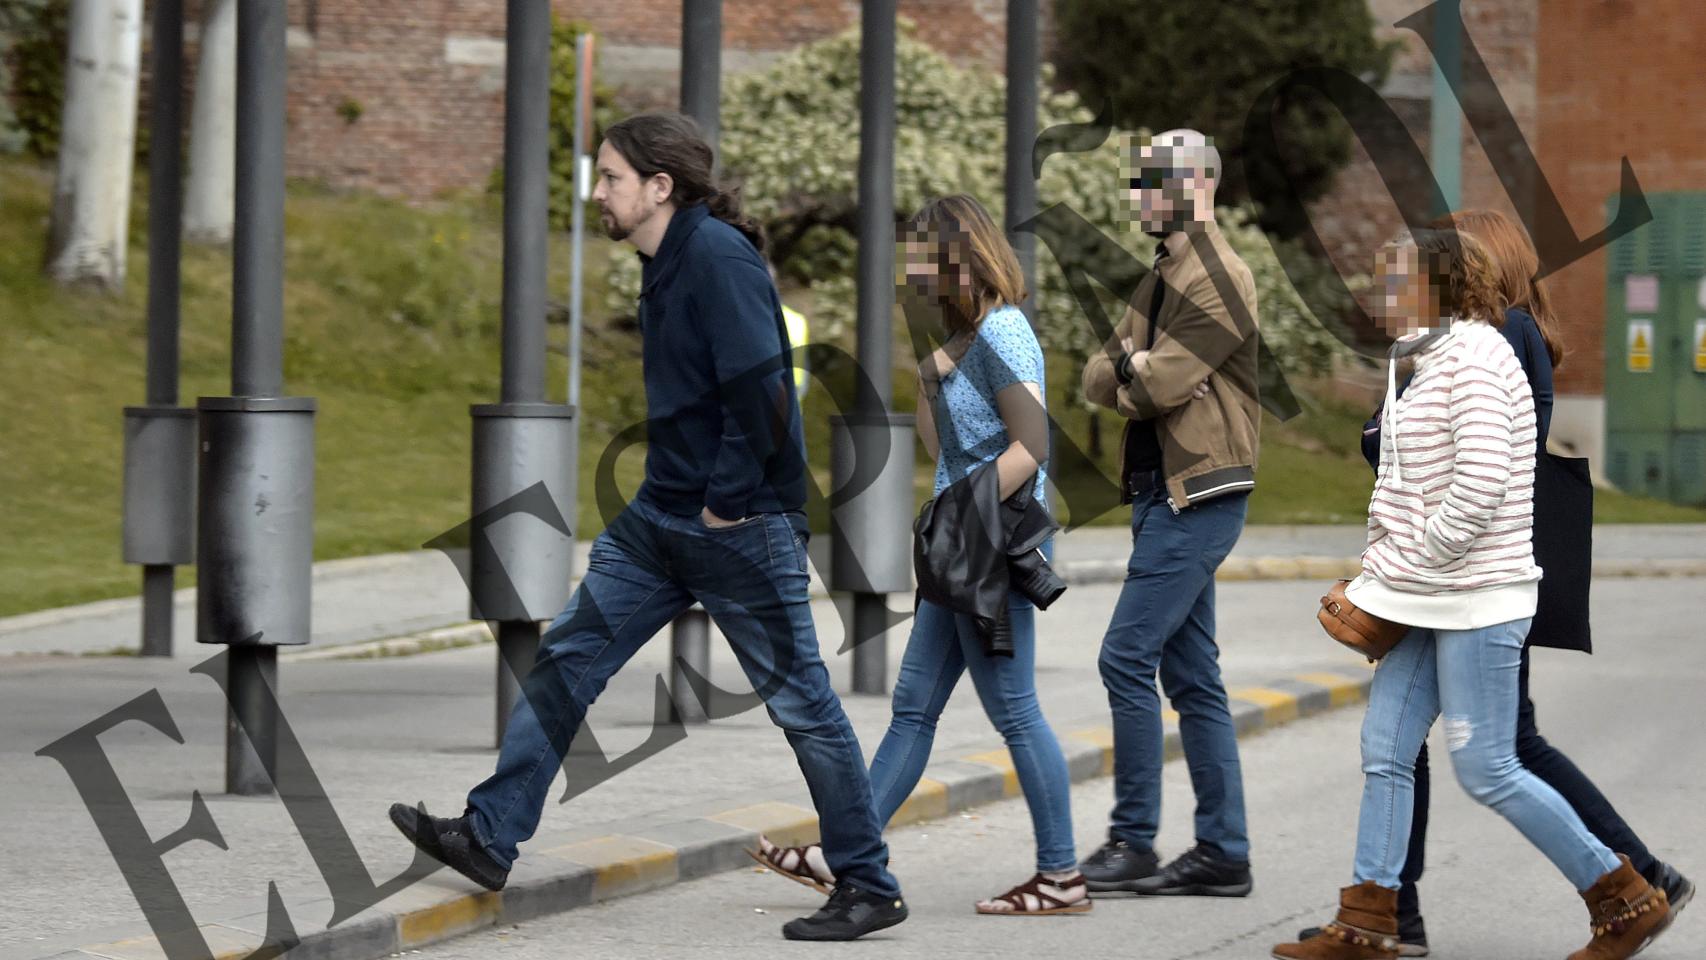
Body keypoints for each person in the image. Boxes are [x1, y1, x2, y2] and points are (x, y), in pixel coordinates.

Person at [384, 112, 907, 943]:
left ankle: (869, 883)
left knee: (803, 707)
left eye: (610, 179)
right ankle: (490, 836)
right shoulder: (662, 261)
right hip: (659, 522)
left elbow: (765, 393)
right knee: (565, 662)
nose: (597, 194)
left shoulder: (716, 258)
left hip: (739, 526)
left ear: (660, 186)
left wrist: (727, 500)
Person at [1295, 209, 1693, 957]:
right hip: (1426, 594)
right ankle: (1369, 922)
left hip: (1475, 596)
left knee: (1489, 765)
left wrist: (1405, 569)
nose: (1375, 294)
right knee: (1385, 746)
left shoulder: (1478, 357)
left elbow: (1479, 486)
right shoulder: (1424, 357)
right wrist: (1383, 575)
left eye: (1390, 280)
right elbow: (1401, 485)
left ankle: (1625, 895)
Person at [753, 194, 1089, 916]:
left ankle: (1062, 875)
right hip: (958, 543)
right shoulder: (969, 342)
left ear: (957, 262)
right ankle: (846, 854)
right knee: (912, 708)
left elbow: (1031, 450)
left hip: (984, 543)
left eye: (922, 266)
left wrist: (959, 515)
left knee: (1017, 710)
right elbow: (941, 449)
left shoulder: (1006, 336)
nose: (914, 281)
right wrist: (929, 380)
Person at [1077, 129, 1264, 898]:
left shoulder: (1220, 275)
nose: (1137, 197)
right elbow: (1100, 372)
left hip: (1201, 492)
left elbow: (1157, 388)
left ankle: (1133, 839)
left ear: (1195, 188)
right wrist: (1135, 368)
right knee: (1193, 678)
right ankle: (1224, 852)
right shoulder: (1163, 274)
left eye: (1150, 182)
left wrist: (1139, 372)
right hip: (1163, 491)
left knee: (1124, 657)